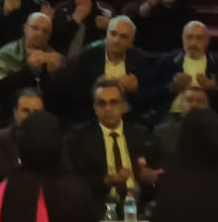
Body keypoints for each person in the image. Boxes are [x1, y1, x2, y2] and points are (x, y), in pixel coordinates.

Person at [68, 77, 159, 208]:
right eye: (102, 103)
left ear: (123, 106)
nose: (108, 108)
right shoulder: (78, 140)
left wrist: (151, 178)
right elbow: (75, 182)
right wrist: (106, 181)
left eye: (114, 102)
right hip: (98, 205)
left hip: (140, 205)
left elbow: (160, 169)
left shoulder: (143, 136)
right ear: (94, 107)